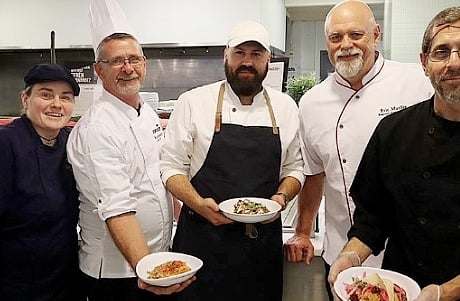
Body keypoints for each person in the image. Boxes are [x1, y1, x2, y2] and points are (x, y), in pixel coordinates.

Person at [328, 6, 460, 301]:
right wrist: (348, 258)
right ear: (425, 63)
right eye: (441, 52)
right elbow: (372, 220)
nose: (454, 62)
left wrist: (444, 293)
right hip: (406, 291)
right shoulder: (393, 131)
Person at [283, 1, 433, 299]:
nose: (346, 45)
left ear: (376, 35)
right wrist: (302, 231)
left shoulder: (417, 82)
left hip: (409, 250)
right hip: (342, 252)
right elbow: (314, 174)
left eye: (356, 34)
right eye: (336, 37)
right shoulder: (313, 102)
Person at [160, 21, 304, 301]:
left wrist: (281, 198)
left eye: (255, 54)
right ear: (226, 56)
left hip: (261, 248)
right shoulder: (193, 102)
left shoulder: (285, 107)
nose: (247, 62)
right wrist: (199, 205)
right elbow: (170, 168)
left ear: (268, 60)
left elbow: (295, 169)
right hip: (202, 242)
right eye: (240, 53)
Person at [66, 33, 193, 300]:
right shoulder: (97, 129)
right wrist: (149, 272)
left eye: (134, 59)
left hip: (154, 256)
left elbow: (159, 173)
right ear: (99, 70)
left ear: (144, 64)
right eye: (116, 61)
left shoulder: (145, 111)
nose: (127, 68)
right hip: (118, 272)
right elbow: (117, 207)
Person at [0, 64, 83, 300]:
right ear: (25, 99)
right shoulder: (7, 144)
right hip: (17, 284)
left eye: (65, 97)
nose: (57, 104)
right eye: (46, 94)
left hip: (64, 278)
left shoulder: (71, 142)